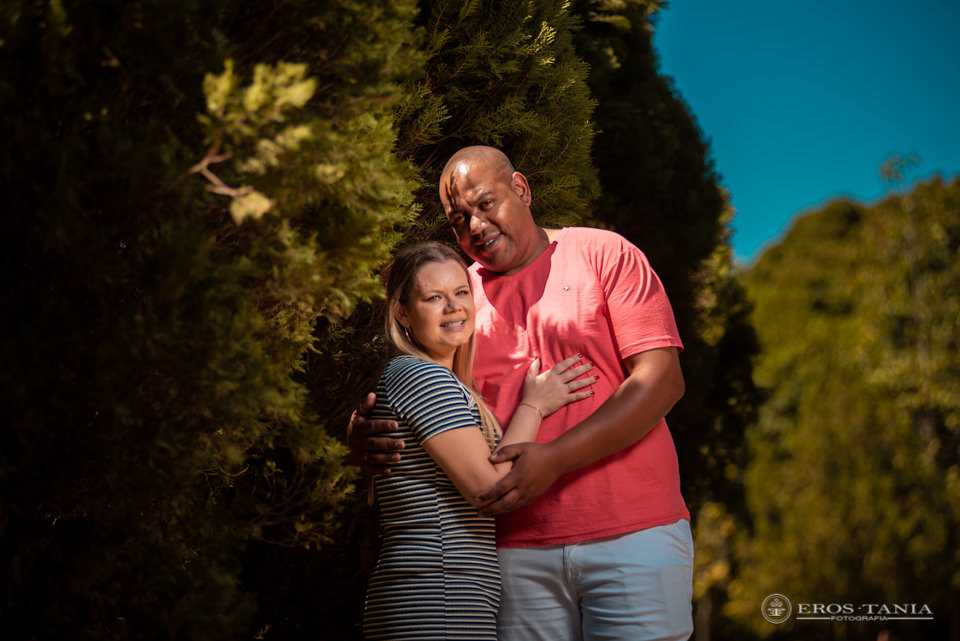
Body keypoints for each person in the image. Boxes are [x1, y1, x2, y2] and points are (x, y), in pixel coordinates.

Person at [351, 146, 693, 641]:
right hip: (510, 554)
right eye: (459, 219)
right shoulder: (457, 295)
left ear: (521, 189)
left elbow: (662, 380)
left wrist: (556, 458)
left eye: (486, 203)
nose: (475, 225)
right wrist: (367, 436)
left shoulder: (604, 253)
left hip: (633, 533)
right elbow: (425, 398)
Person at [361, 241, 595, 641]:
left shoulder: (441, 380)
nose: (453, 307)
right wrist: (534, 406)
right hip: (435, 596)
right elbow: (490, 489)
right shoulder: (421, 376)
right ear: (402, 312)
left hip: (448, 595)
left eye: (460, 292)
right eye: (434, 297)